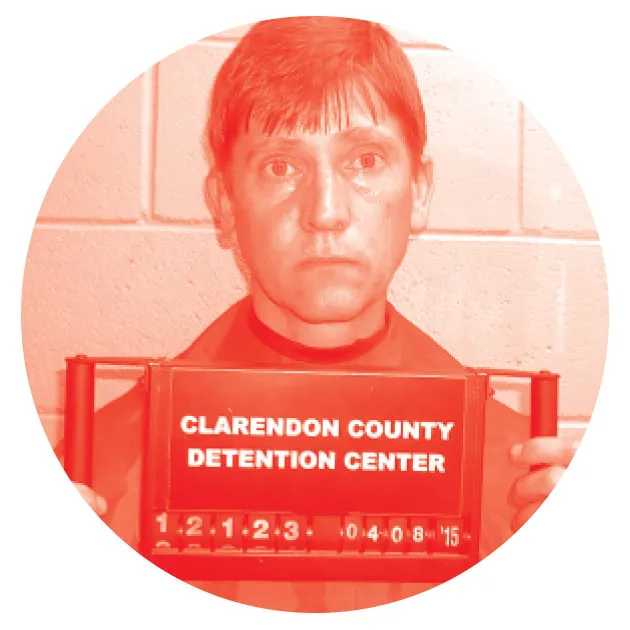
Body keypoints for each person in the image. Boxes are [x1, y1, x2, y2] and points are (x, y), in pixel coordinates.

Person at [65, 16, 579, 612]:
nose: (326, 212)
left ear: (419, 191)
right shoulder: (101, 476)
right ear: (224, 204)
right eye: (281, 166)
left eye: (365, 160)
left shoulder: (520, 484)